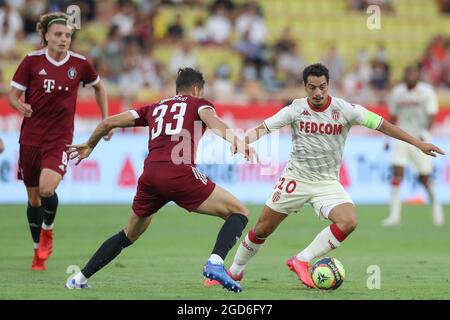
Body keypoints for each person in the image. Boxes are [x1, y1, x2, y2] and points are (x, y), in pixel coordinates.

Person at [205, 63, 444, 289]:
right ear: (305, 87)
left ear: (328, 85)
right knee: (261, 230)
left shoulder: (346, 110)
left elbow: (382, 125)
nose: (318, 92)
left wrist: (418, 143)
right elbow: (265, 127)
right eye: (312, 87)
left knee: (348, 221)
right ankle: (235, 270)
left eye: (322, 87)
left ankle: (301, 259)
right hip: (295, 180)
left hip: (327, 183)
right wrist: (243, 141)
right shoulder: (296, 109)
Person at [65, 68, 256, 293]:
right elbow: (212, 120)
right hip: (178, 173)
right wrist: (236, 139)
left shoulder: (154, 108)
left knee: (129, 234)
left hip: (150, 177)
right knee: (239, 212)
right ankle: (215, 263)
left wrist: (89, 145)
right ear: (196, 89)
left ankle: (78, 278)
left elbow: (108, 122)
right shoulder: (199, 103)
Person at [8, 12, 111, 271]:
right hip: (30, 137)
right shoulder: (31, 61)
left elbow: (99, 87)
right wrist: (19, 106)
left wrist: (105, 120)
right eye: (58, 35)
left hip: (60, 138)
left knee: (46, 189)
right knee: (33, 200)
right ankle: (37, 251)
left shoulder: (80, 64)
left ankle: (48, 231)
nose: (63, 39)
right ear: (45, 37)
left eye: (67, 35)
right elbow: (12, 95)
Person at [382, 65, 444, 226]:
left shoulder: (426, 92)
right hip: (402, 138)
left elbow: (432, 114)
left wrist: (426, 132)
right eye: (407, 72)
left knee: (424, 178)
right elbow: (393, 116)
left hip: (420, 140)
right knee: (397, 174)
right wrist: (387, 139)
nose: (410, 75)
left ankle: (437, 208)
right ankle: (394, 216)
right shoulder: (398, 92)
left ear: (418, 75)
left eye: (413, 72)